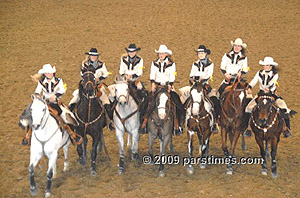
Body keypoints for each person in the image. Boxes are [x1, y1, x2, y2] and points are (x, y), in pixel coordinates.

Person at [22, 64, 76, 145]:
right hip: (44, 102)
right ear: (44, 74)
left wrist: (55, 96)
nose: (49, 74)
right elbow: (37, 91)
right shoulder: (41, 82)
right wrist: (37, 95)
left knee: (63, 114)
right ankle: (28, 134)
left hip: (55, 102)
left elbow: (62, 90)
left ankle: (70, 132)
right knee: (33, 114)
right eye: (47, 73)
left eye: (50, 73)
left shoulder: (59, 81)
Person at [245, 57, 297, 137]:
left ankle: (286, 129)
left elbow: (273, 82)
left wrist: (268, 88)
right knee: (248, 108)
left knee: (284, 108)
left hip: (272, 94)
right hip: (261, 94)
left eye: (267, 65)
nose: (266, 67)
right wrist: (249, 87)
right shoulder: (259, 73)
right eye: (265, 65)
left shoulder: (275, 74)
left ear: (271, 66)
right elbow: (254, 80)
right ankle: (248, 128)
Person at [141, 44, 184, 135]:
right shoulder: (154, 63)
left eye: (163, 53)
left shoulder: (171, 64)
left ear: (166, 54)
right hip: (157, 86)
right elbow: (152, 74)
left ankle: (178, 126)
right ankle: (144, 124)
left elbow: (172, 75)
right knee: (147, 103)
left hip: (168, 86)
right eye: (160, 53)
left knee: (177, 104)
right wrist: (152, 83)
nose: (161, 55)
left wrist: (170, 85)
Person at [68, 48, 114, 130]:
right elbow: (82, 74)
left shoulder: (101, 64)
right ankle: (70, 119)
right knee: (75, 99)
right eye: (92, 55)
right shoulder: (84, 63)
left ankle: (109, 121)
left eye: (95, 56)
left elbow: (106, 74)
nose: (93, 57)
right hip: (86, 85)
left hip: (98, 86)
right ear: (89, 56)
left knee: (106, 101)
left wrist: (98, 79)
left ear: (97, 56)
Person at [189, 45, 218, 132]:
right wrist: (198, 77)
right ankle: (185, 120)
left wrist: (199, 77)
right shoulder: (195, 63)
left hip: (205, 86)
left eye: (202, 53)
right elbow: (191, 75)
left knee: (214, 100)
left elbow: (209, 75)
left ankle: (214, 122)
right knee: (186, 100)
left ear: (205, 54)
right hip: (195, 85)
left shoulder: (210, 63)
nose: (200, 55)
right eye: (199, 53)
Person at [119, 43, 148, 122]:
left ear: (136, 52)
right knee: (114, 95)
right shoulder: (123, 59)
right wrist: (125, 76)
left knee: (144, 95)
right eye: (130, 51)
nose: (131, 53)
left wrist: (131, 76)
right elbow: (121, 70)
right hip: (125, 81)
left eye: (133, 51)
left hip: (135, 81)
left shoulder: (140, 60)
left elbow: (140, 72)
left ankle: (142, 113)